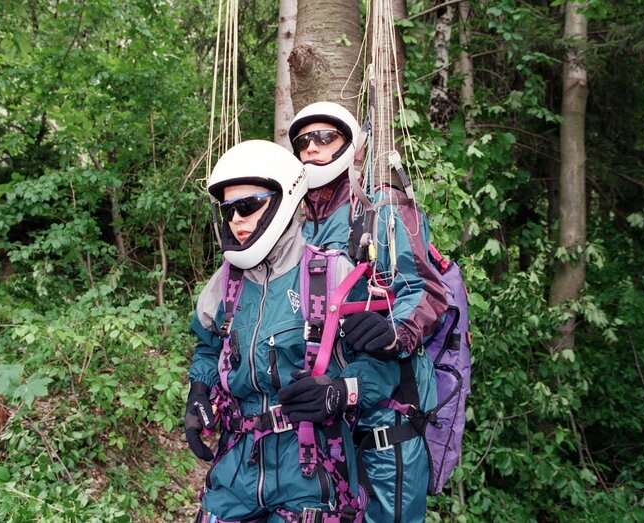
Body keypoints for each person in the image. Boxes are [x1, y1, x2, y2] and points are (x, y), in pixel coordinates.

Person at [185, 140, 398, 522]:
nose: (236, 219)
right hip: (236, 467)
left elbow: (384, 367)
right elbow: (208, 346)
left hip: (312, 471)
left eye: (247, 205)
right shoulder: (223, 284)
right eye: (229, 209)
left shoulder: (334, 275)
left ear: (284, 200)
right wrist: (198, 390)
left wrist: (340, 392)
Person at [289, 102, 449, 523]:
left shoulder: (383, 208)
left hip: (387, 421)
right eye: (303, 140)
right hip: (326, 420)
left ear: (351, 147)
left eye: (325, 138)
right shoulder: (294, 225)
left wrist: (392, 332)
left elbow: (427, 289)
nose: (312, 148)